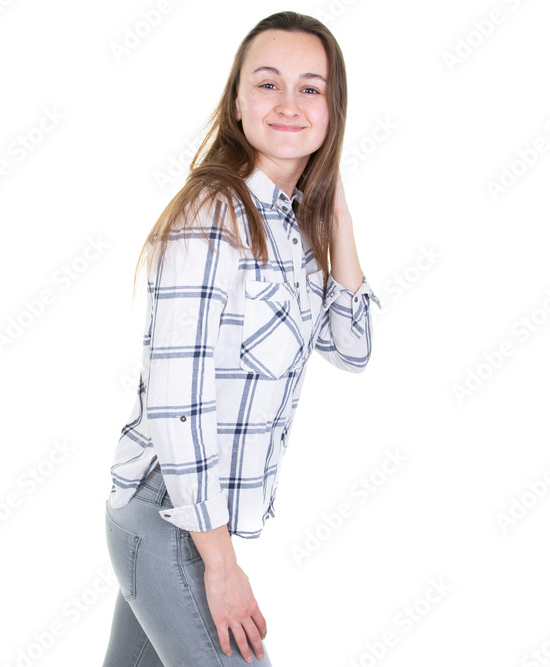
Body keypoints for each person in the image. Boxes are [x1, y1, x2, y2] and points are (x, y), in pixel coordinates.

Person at [102, 10, 380, 666]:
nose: (290, 103)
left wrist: (336, 213)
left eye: (311, 88)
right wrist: (222, 568)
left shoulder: (287, 227)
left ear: (334, 110)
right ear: (236, 101)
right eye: (268, 83)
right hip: (170, 518)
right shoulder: (213, 218)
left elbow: (353, 347)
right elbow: (178, 404)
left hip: (181, 522)